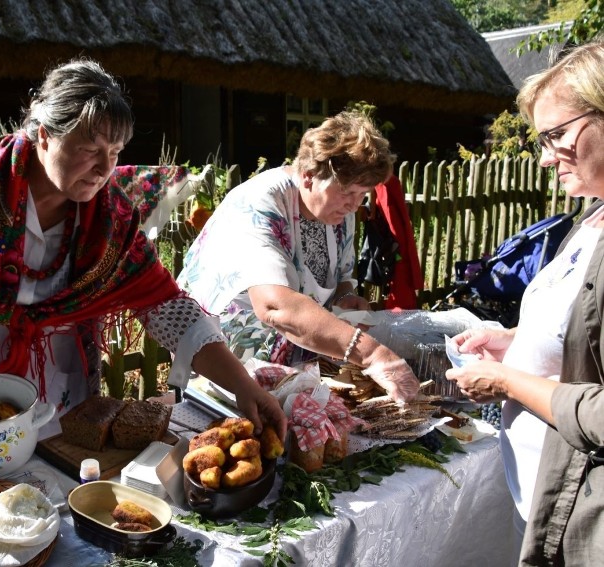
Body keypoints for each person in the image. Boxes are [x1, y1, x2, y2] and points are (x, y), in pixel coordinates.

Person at [0, 58, 287, 456]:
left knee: (53, 503)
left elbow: (167, 307)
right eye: (90, 147)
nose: (105, 168)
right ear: (44, 134)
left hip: (61, 396)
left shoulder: (112, 222)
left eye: (116, 151)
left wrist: (243, 386)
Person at [446, 39, 604, 567]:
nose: (542, 158)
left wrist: (508, 381)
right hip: (547, 495)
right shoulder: (591, 220)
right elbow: (586, 335)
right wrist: (514, 340)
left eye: (557, 135)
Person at [177, 111, 420, 402]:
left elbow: (342, 276)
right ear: (309, 176)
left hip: (282, 368)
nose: (355, 205)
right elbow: (275, 307)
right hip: (220, 364)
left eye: (363, 195)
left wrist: (344, 299)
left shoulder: (339, 210)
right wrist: (371, 354)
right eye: (349, 193)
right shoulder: (260, 204)